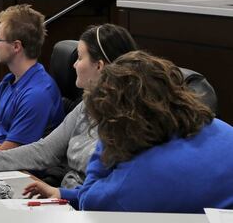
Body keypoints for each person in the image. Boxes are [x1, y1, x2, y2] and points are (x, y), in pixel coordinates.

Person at [25, 51, 233, 213]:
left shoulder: (140, 174)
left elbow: (91, 202)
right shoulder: (222, 129)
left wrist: (106, 134)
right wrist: (63, 193)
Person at [0, 25, 137, 192]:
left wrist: (63, 194)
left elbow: (109, 189)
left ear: (99, 66)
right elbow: (45, 150)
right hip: (67, 196)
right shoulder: (86, 105)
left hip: (86, 205)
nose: (74, 65)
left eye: (80, 58)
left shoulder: (129, 118)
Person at [0, 4, 64, 153]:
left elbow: (11, 155)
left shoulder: (37, 94)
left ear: (16, 46)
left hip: (20, 171)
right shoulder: (8, 81)